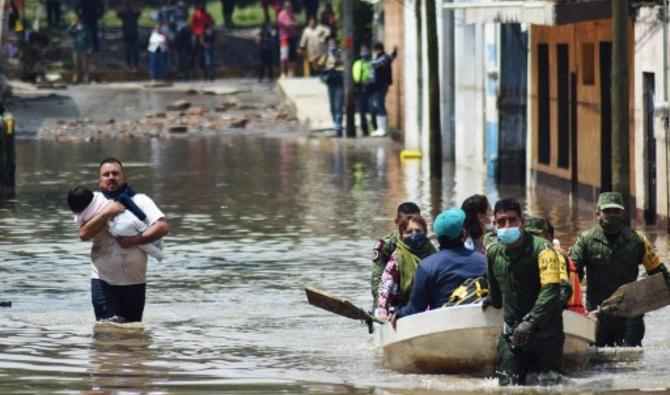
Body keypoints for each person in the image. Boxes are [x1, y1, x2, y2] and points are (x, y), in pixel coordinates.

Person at [570, 192, 670, 347]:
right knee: (597, 363)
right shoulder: (585, 241)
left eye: (616, 211)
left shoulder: (637, 241)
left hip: (630, 315)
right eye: (607, 211)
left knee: (630, 358)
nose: (612, 215)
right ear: (598, 213)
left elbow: (660, 275)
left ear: (622, 213)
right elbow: (573, 276)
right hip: (597, 314)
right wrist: (575, 311)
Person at [76, 158, 169, 323]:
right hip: (103, 281)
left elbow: (162, 227)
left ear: (124, 177)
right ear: (100, 180)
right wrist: (106, 213)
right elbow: (83, 234)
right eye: (106, 174)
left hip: (135, 282)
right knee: (107, 332)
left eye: (115, 173)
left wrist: (134, 240)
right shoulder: (91, 204)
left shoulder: (140, 200)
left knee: (132, 336)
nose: (111, 177)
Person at [483, 198, 563, 386]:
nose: (507, 226)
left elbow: (551, 290)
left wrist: (529, 322)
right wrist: (488, 301)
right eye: (501, 222)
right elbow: (496, 296)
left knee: (548, 387)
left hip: (545, 335)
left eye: (512, 220)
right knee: (507, 387)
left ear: (522, 222)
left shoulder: (544, 249)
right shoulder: (494, 253)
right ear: (494, 224)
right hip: (512, 335)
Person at [394, 208, 487, 320]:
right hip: (479, 320)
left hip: (442, 326)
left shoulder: (426, 266)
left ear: (437, 237)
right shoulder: (483, 261)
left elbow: (415, 309)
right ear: (464, 233)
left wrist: (397, 314)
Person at [68, 186, 164, 261]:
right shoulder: (99, 196)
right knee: (145, 230)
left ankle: (159, 255)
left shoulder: (83, 215)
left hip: (118, 226)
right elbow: (83, 234)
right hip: (127, 215)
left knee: (145, 245)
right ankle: (160, 245)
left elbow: (80, 225)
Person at [375, 214, 436, 320]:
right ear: (401, 235)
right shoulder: (398, 257)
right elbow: (385, 286)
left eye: (418, 231)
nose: (414, 235)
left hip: (432, 308)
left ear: (425, 233)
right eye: (409, 232)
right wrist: (382, 311)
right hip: (404, 309)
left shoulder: (434, 252)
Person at [525, 216, 586, 315]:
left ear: (549, 236)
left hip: (569, 316)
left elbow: (562, 290)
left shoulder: (554, 255)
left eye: (536, 235)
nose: (533, 240)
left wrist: (534, 318)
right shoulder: (532, 255)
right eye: (528, 235)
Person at [370, 202, 421, 309]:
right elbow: (377, 281)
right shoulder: (386, 246)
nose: (410, 227)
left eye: (415, 222)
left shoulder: (426, 246)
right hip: (390, 301)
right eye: (405, 223)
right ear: (397, 222)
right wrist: (382, 307)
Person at [319, 37, 343, 136]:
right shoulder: (326, 55)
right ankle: (335, 124)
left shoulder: (340, 53)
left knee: (338, 106)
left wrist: (335, 59)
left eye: (333, 43)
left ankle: (338, 127)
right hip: (330, 83)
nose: (331, 45)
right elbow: (319, 65)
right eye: (329, 44)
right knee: (332, 107)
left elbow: (343, 63)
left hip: (339, 82)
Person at [369, 42, 394, 137]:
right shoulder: (382, 58)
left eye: (374, 50)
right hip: (377, 85)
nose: (373, 52)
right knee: (377, 104)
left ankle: (382, 128)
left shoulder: (383, 58)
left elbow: (375, 64)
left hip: (381, 85)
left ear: (379, 49)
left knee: (380, 104)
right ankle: (380, 128)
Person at [352, 43, 375, 136]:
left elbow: (373, 75)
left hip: (370, 88)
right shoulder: (357, 63)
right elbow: (355, 76)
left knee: (372, 109)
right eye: (362, 50)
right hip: (360, 88)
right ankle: (364, 129)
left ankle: (373, 128)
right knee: (362, 111)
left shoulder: (371, 62)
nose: (364, 52)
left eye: (365, 50)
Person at [190, 1, 214, 79]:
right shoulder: (195, 14)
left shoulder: (208, 14)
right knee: (195, 53)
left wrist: (209, 31)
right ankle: (193, 72)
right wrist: (200, 33)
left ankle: (208, 74)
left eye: (203, 4)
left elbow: (211, 24)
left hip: (206, 37)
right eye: (200, 4)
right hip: (198, 36)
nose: (202, 5)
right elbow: (193, 26)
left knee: (207, 55)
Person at [116, 1, 141, 70]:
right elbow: (118, 12)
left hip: (134, 34)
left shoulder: (135, 14)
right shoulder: (123, 15)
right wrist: (123, 5)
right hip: (126, 35)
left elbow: (139, 10)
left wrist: (133, 6)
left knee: (135, 51)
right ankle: (129, 65)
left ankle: (136, 65)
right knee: (128, 51)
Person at [68, 17, 92, 84]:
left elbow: (90, 40)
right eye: (77, 23)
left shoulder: (86, 30)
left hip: (84, 49)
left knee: (85, 65)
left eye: (80, 23)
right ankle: (76, 79)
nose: (79, 24)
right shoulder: (75, 30)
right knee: (76, 65)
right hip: (76, 49)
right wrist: (72, 25)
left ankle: (86, 78)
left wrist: (89, 49)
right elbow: (69, 32)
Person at [277, 1, 298, 77]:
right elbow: (286, 24)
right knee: (284, 55)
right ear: (285, 7)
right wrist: (293, 23)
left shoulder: (291, 15)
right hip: (284, 38)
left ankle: (291, 72)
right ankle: (283, 72)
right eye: (288, 6)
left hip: (292, 37)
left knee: (292, 56)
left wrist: (292, 23)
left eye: (290, 6)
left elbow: (296, 23)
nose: (289, 8)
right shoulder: (281, 15)